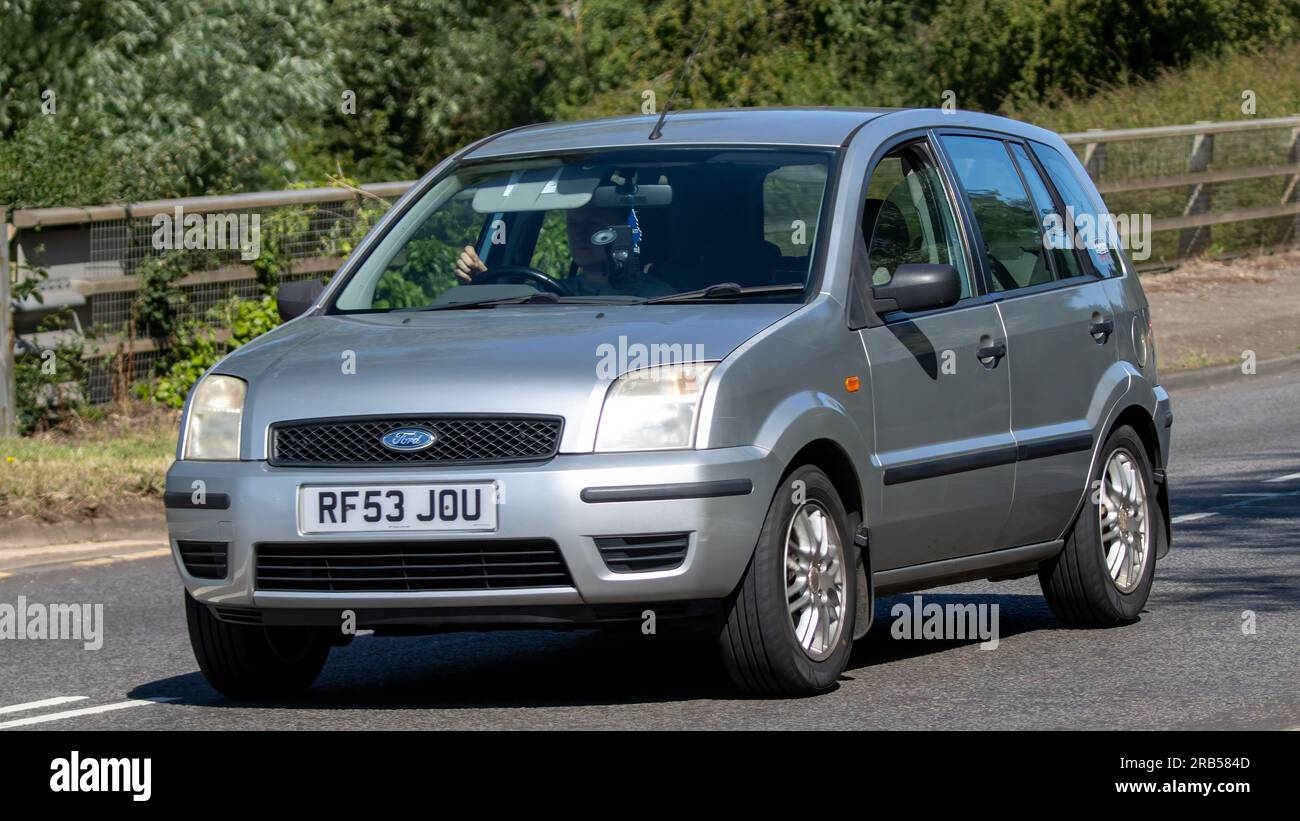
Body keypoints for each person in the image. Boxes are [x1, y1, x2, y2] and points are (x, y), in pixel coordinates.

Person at [454, 204, 675, 297]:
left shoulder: (659, 299)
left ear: (623, 231)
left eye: (592, 224)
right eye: (573, 225)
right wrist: (484, 285)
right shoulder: (542, 294)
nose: (578, 233)